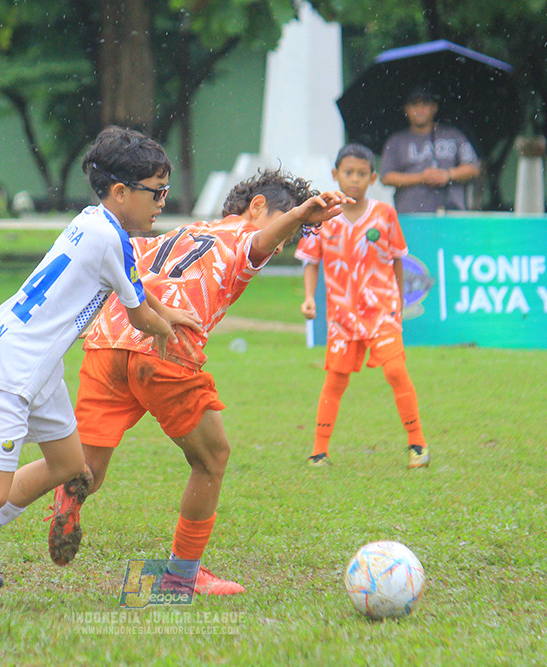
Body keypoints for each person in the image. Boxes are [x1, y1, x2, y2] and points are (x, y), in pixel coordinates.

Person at [0, 126, 200, 610]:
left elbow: (132, 285)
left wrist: (167, 313)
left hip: (39, 368)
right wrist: (167, 334)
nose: (162, 202)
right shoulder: (109, 238)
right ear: (120, 192)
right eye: (156, 192)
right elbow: (137, 314)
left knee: (70, 467)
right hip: (11, 369)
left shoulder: (98, 223)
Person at [21, 169, 349, 599]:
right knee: (212, 458)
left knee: (81, 468)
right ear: (256, 207)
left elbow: (118, 267)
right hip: (164, 348)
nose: (282, 242)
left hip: (107, 342)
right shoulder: (240, 238)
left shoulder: (185, 231)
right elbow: (263, 241)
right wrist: (305, 211)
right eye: (284, 224)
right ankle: (181, 574)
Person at [297, 143, 430, 470]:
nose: (354, 179)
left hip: (381, 310)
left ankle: (417, 445)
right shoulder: (322, 215)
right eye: (348, 173)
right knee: (336, 379)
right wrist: (310, 297)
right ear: (335, 175)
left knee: (396, 370)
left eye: (361, 174)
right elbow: (311, 262)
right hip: (342, 316)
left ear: (372, 178)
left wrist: (398, 300)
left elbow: (397, 260)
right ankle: (319, 452)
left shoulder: (385, 214)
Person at [379, 87, 480, 214]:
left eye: (425, 104)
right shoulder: (396, 141)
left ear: (434, 108)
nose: (419, 109)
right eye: (414, 104)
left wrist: (447, 175)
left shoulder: (454, 135)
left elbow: (473, 168)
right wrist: (421, 178)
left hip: (451, 214)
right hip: (410, 215)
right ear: (406, 109)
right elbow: (386, 177)